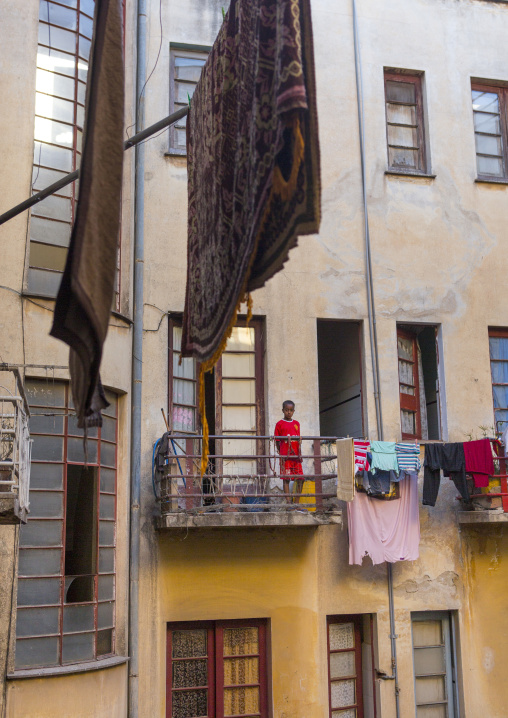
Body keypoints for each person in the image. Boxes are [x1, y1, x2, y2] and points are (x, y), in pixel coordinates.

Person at [274, 400, 304, 504]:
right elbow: (277, 441)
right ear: (283, 410)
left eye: (291, 410)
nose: (289, 412)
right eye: (286, 410)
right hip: (285, 457)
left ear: (294, 411)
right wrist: (281, 452)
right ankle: (288, 502)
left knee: (300, 478)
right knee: (286, 479)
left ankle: (296, 502)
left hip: (296, 457)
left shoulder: (296, 424)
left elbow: (298, 439)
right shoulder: (279, 424)